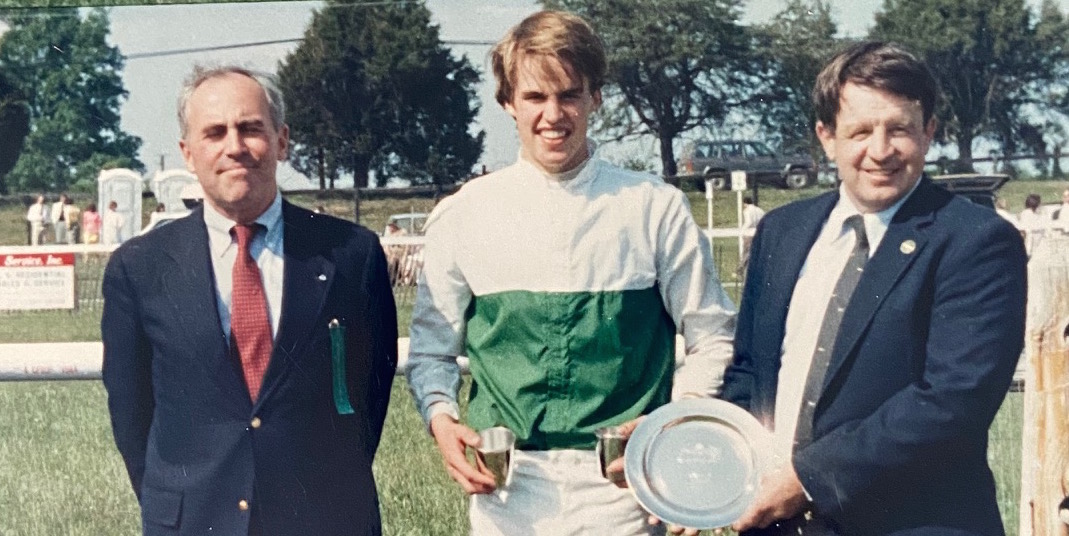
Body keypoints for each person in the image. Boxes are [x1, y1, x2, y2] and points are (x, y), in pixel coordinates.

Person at [405, 10, 736, 535]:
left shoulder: (654, 207)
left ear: (595, 98)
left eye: (569, 95)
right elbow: (430, 351)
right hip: (508, 491)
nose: (552, 115)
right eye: (535, 97)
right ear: (507, 102)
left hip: (623, 488)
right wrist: (442, 420)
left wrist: (673, 426)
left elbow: (713, 336)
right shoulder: (465, 213)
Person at [722, 41, 1026, 535]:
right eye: (860, 131)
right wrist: (713, 469)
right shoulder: (782, 230)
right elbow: (749, 374)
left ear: (928, 133)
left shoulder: (977, 241)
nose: (880, 151)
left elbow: (952, 400)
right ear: (827, 137)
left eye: (899, 129)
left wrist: (807, 478)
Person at [101, 66, 397, 536]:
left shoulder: (351, 254)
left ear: (282, 141)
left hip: (324, 518)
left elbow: (370, 394)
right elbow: (132, 416)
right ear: (189, 153)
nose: (234, 146)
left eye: (251, 128)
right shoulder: (138, 268)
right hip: (193, 521)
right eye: (214, 132)